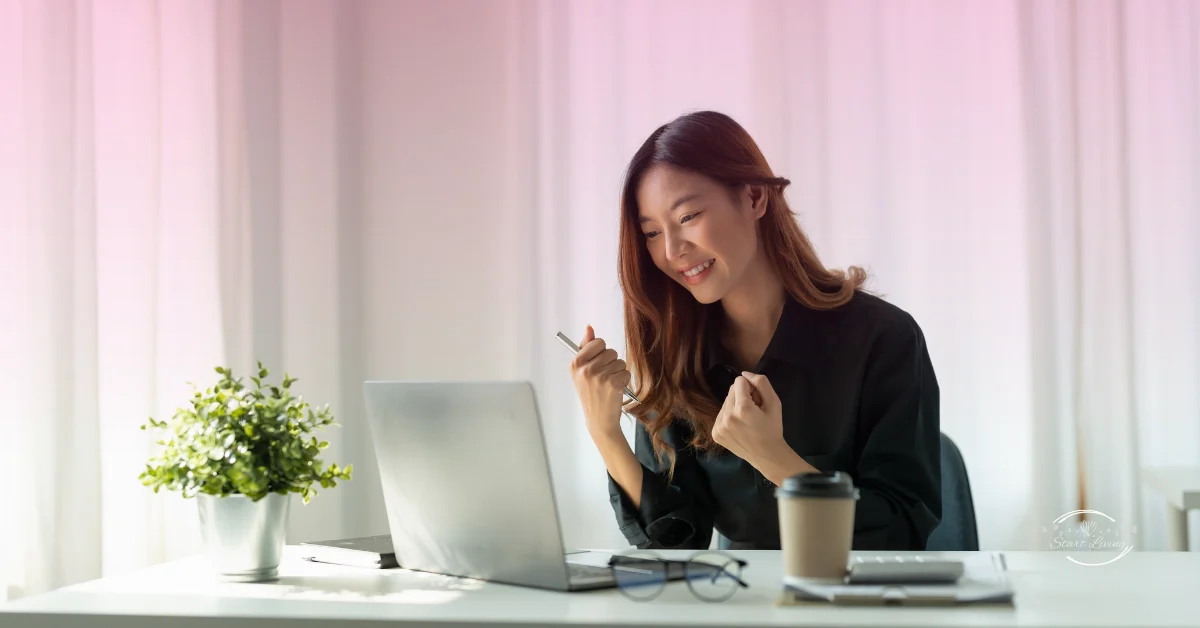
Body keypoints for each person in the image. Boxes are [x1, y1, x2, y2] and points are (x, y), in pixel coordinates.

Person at [567, 111, 941, 552]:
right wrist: (605, 433)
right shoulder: (676, 354)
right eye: (651, 232)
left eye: (687, 216)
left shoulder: (884, 338)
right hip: (741, 608)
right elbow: (676, 542)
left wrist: (774, 459)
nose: (671, 251)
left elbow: (901, 529)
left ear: (755, 198)